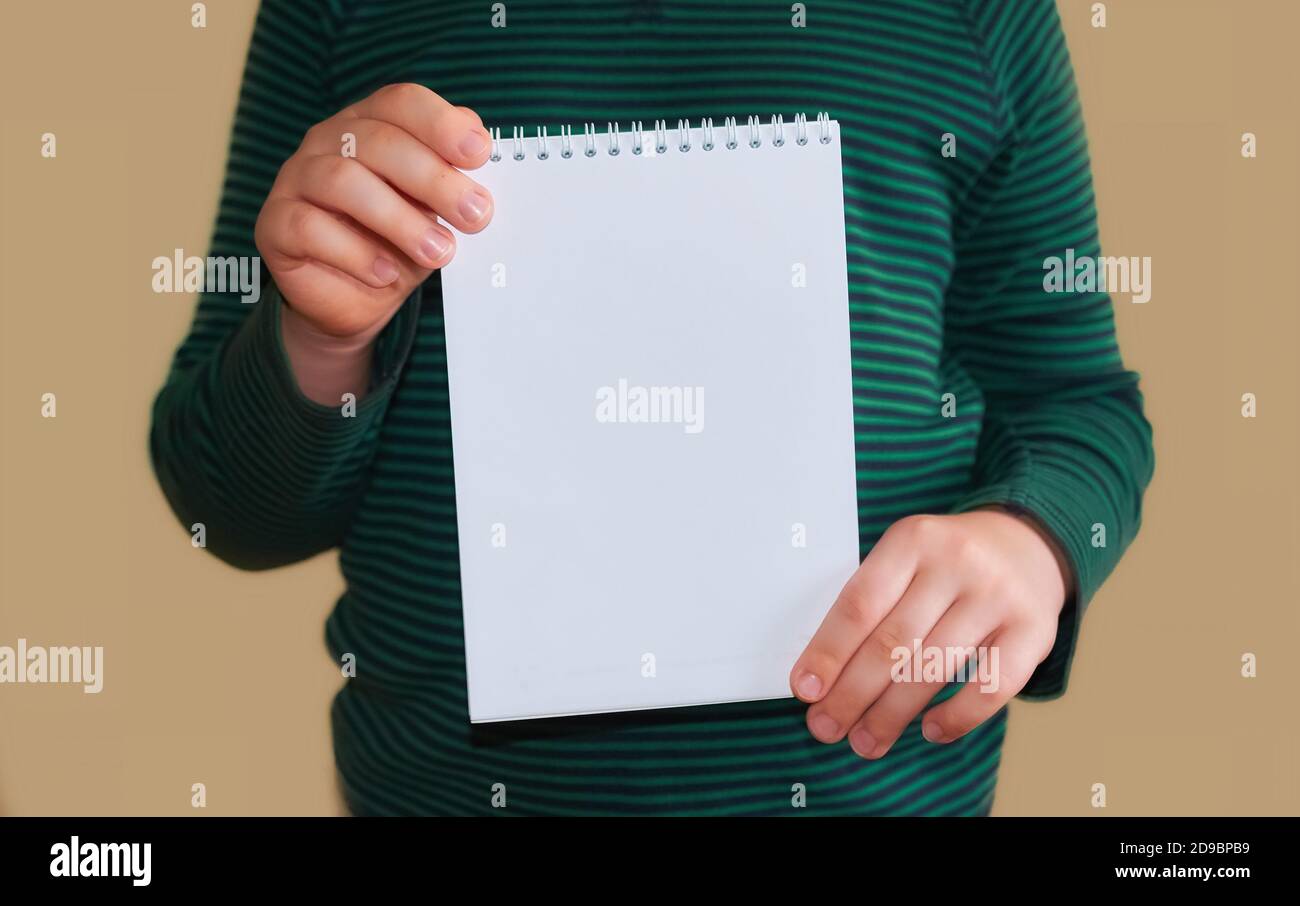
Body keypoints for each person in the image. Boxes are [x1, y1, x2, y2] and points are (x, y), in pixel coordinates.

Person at [151, 0, 1154, 816]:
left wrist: (1033, 539)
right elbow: (224, 500)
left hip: (880, 793)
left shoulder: (980, 15)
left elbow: (1075, 401)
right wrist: (321, 341)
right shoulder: (340, 12)